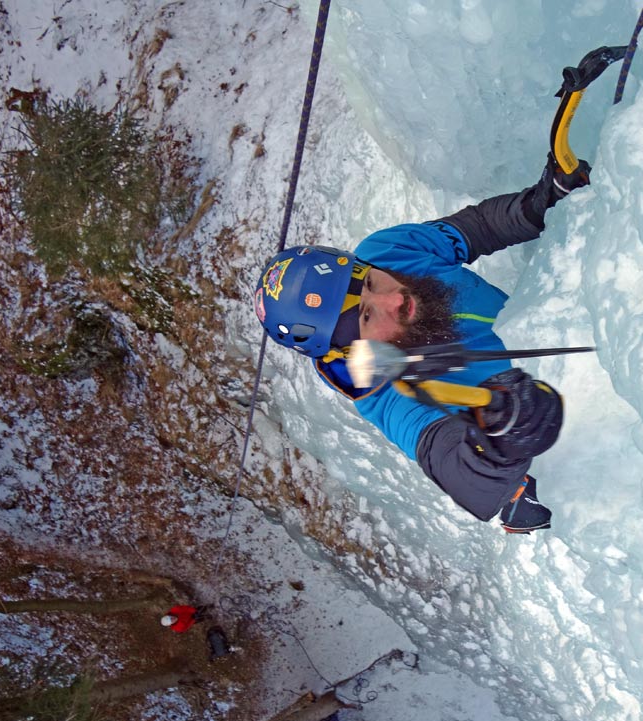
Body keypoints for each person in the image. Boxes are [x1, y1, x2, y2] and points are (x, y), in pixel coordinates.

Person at [253, 155, 591, 533]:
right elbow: (455, 467)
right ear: (354, 351)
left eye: (368, 283)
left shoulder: (387, 251)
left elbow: (475, 229)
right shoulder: (387, 395)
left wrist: (542, 202)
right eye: (366, 316)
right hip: (572, 431)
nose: (394, 299)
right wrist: (500, 443)